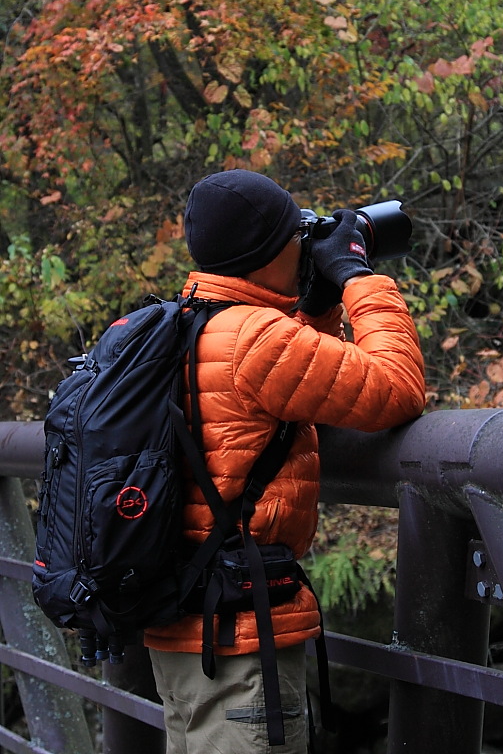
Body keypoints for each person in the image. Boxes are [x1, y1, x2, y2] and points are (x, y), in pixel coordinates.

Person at [144, 169, 426, 754]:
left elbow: (295, 385)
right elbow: (397, 387)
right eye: (296, 234)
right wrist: (356, 276)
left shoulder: (186, 323)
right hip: (237, 638)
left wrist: (316, 306)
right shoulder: (257, 339)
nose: (304, 245)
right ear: (267, 251)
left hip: (180, 626)